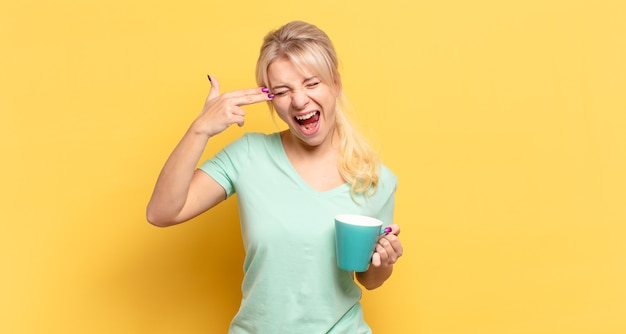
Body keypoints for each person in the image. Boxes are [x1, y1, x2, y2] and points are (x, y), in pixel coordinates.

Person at [147, 20, 403, 333]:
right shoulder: (248, 156)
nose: (299, 100)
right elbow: (161, 212)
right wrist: (200, 128)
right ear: (271, 98)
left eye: (312, 84)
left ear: (335, 83)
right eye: (282, 91)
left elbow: (369, 278)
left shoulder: (374, 178)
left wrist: (384, 262)